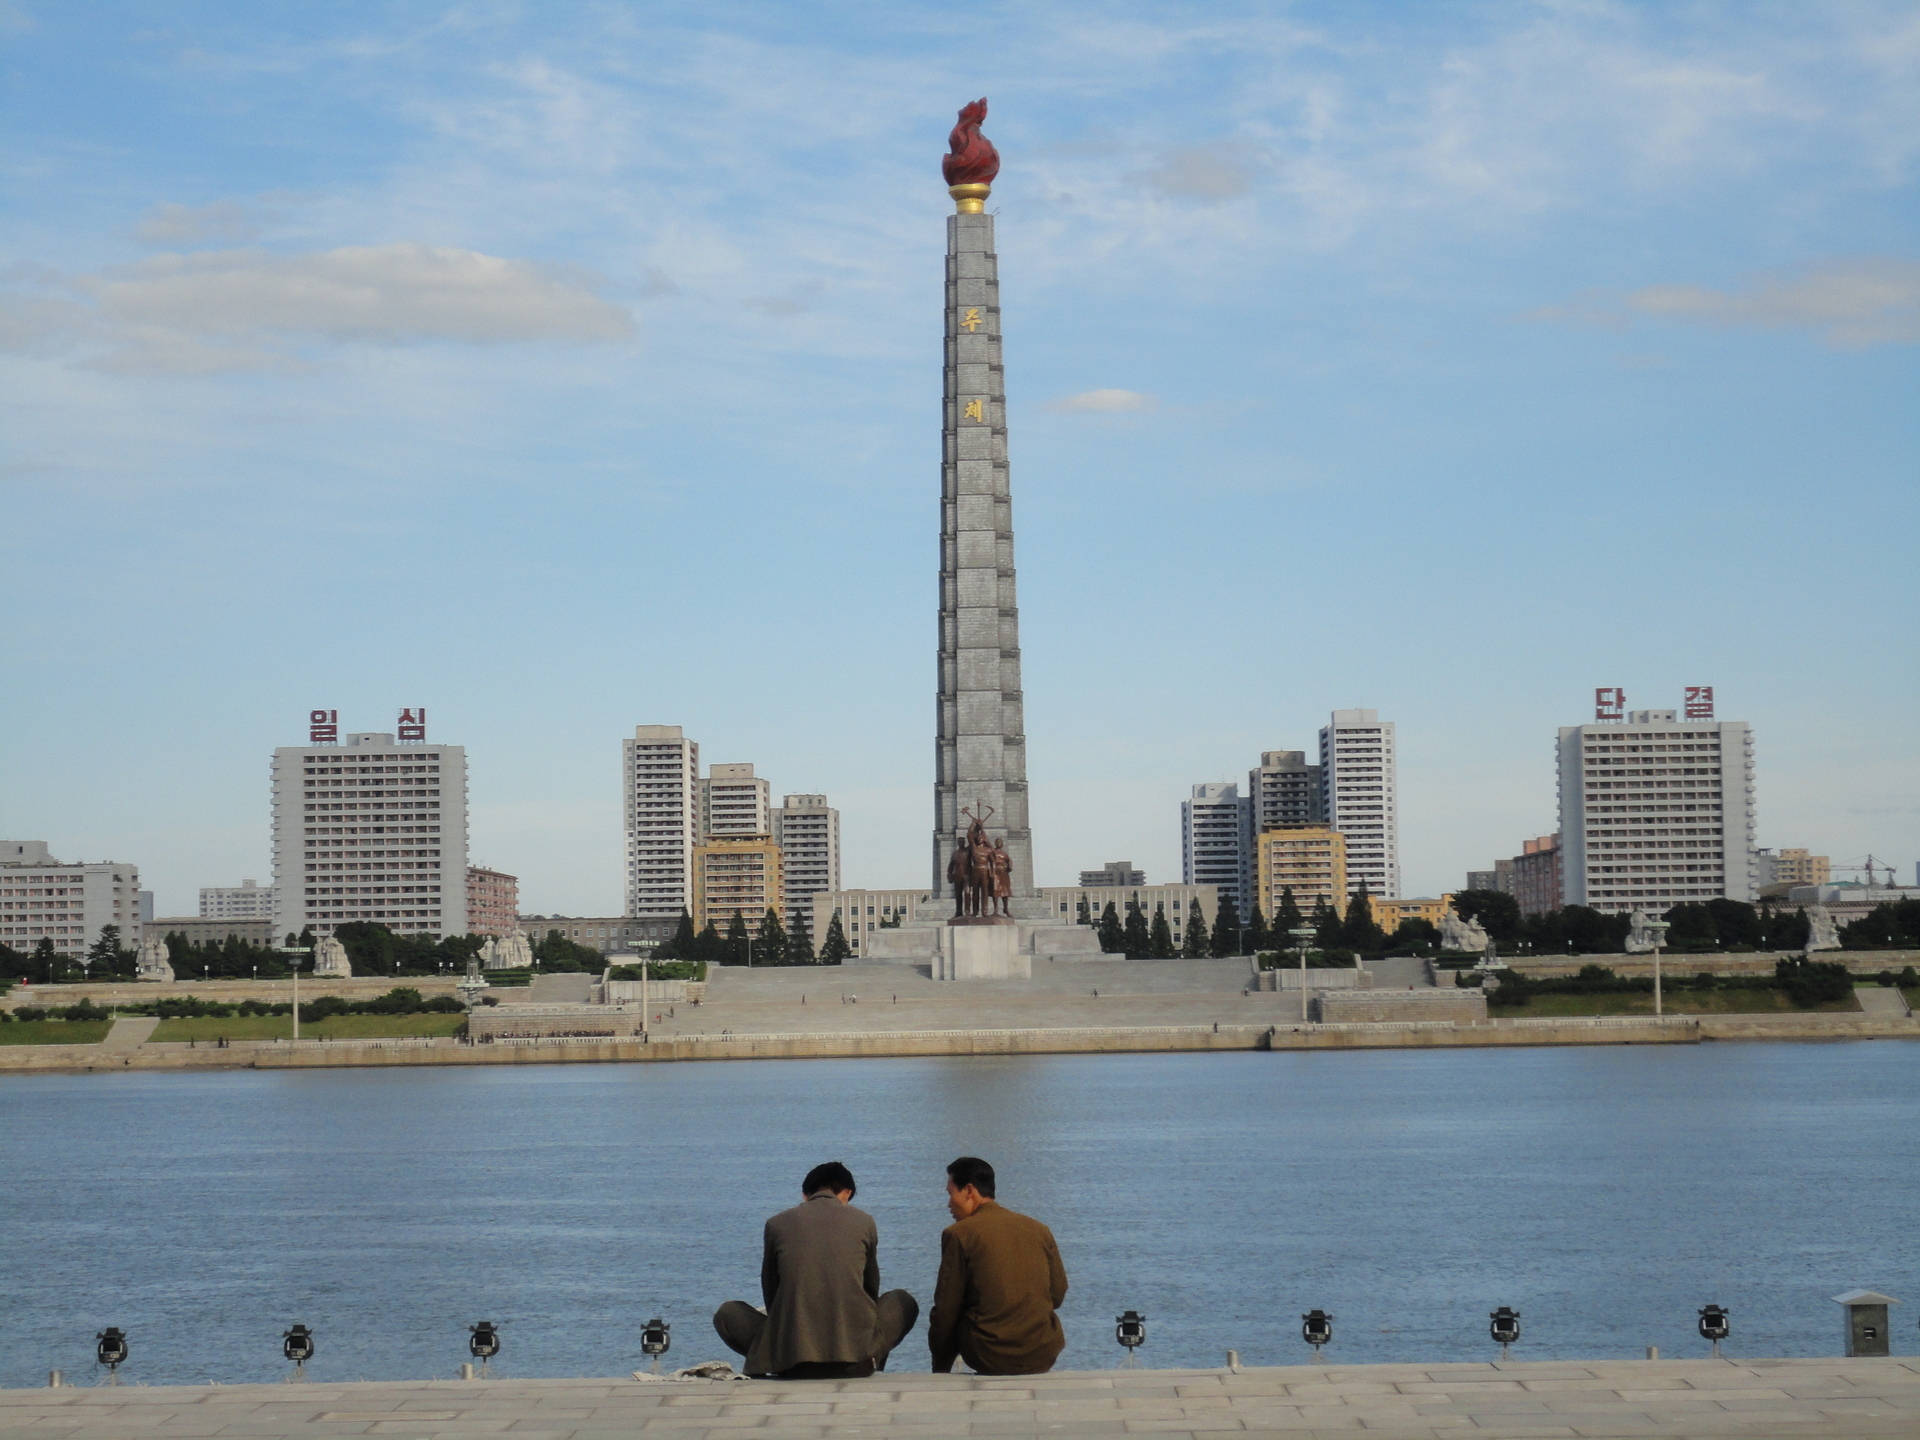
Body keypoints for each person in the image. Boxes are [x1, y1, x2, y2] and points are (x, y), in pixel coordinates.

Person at [713, 1161, 919, 1379]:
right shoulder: (864, 1221)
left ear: (805, 1195)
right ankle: (872, 1358)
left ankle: (771, 1357)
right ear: (847, 1193)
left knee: (728, 1313)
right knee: (902, 1301)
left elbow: (771, 1291)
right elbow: (870, 1288)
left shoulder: (776, 1224)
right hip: (855, 1362)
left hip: (790, 1362)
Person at [928, 1156, 1068, 1375]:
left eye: (950, 1193)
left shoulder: (959, 1234)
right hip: (1041, 1354)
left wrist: (940, 1367)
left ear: (968, 1191)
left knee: (952, 1310)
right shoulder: (1039, 1229)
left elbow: (946, 1309)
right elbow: (1057, 1293)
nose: (948, 1203)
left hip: (988, 1356)